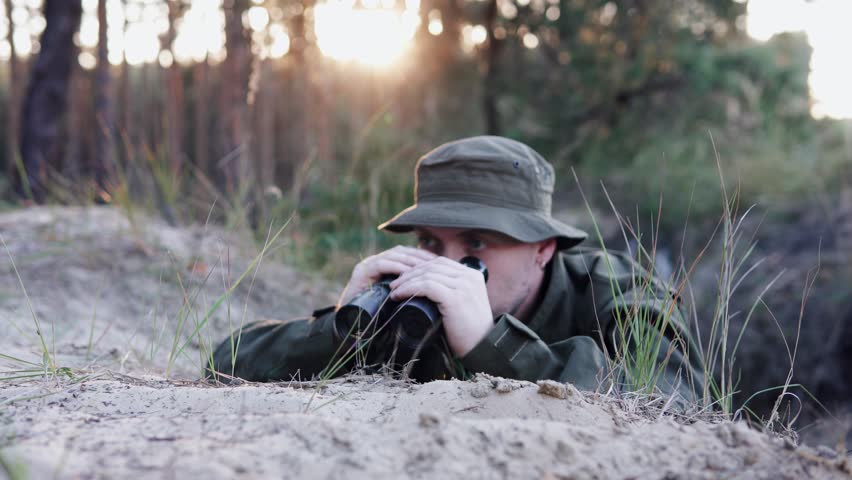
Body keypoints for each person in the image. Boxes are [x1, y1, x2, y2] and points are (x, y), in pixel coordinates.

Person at [209, 136, 702, 402]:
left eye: (477, 244)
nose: (445, 267)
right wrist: (343, 329)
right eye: (429, 242)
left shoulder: (612, 286)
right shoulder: (407, 304)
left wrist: (495, 345)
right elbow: (226, 361)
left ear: (543, 249)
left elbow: (678, 398)